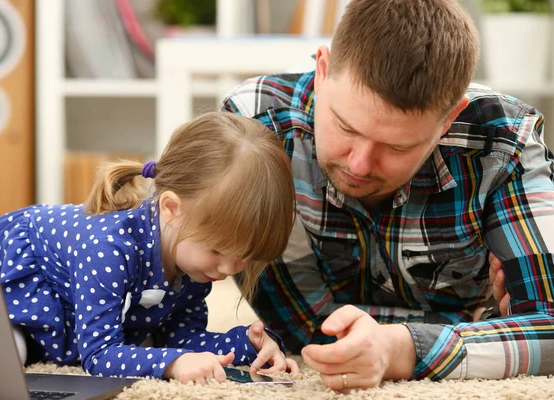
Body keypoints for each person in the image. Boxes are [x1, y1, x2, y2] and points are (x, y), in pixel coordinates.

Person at [221, 0, 554, 391]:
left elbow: (548, 325)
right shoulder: (257, 126)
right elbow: (296, 324)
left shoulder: (501, 141)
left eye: (397, 147)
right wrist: (484, 331)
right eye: (345, 127)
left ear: (449, 118)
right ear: (323, 71)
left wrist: (400, 349)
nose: (360, 164)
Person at [0, 112, 299, 384]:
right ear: (172, 209)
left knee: (148, 344)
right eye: (217, 251)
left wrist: (248, 343)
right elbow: (99, 355)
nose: (229, 269)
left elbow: (181, 340)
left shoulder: (194, 263)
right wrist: (172, 365)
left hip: (65, 308)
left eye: (244, 257)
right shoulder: (110, 248)